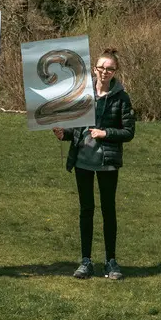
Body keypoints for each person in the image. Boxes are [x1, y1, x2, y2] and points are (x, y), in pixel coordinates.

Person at [53, 48, 135, 280]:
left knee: (109, 210)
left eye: (110, 68)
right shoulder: (82, 93)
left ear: (115, 71)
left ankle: (111, 261)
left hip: (107, 161)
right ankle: (86, 261)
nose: (105, 72)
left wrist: (105, 132)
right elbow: (76, 128)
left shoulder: (122, 98)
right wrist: (64, 133)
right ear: (95, 69)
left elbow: (128, 131)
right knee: (86, 210)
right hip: (83, 161)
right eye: (101, 67)